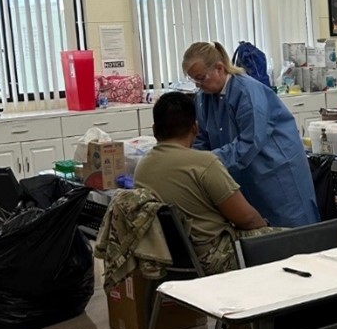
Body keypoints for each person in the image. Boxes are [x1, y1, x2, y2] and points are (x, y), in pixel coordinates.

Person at [134, 91, 279, 277]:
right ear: (195, 128)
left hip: (169, 258)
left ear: (154, 130)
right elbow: (247, 219)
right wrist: (266, 228)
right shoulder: (204, 163)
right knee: (296, 241)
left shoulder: (142, 168)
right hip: (212, 257)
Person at [182, 41, 320, 229]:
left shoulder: (247, 91)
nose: (198, 85)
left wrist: (208, 162)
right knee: (259, 236)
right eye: (194, 80)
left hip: (277, 171)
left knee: (293, 232)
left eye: (201, 78)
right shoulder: (203, 98)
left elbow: (250, 141)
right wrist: (192, 160)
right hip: (245, 173)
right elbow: (202, 138)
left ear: (219, 69)